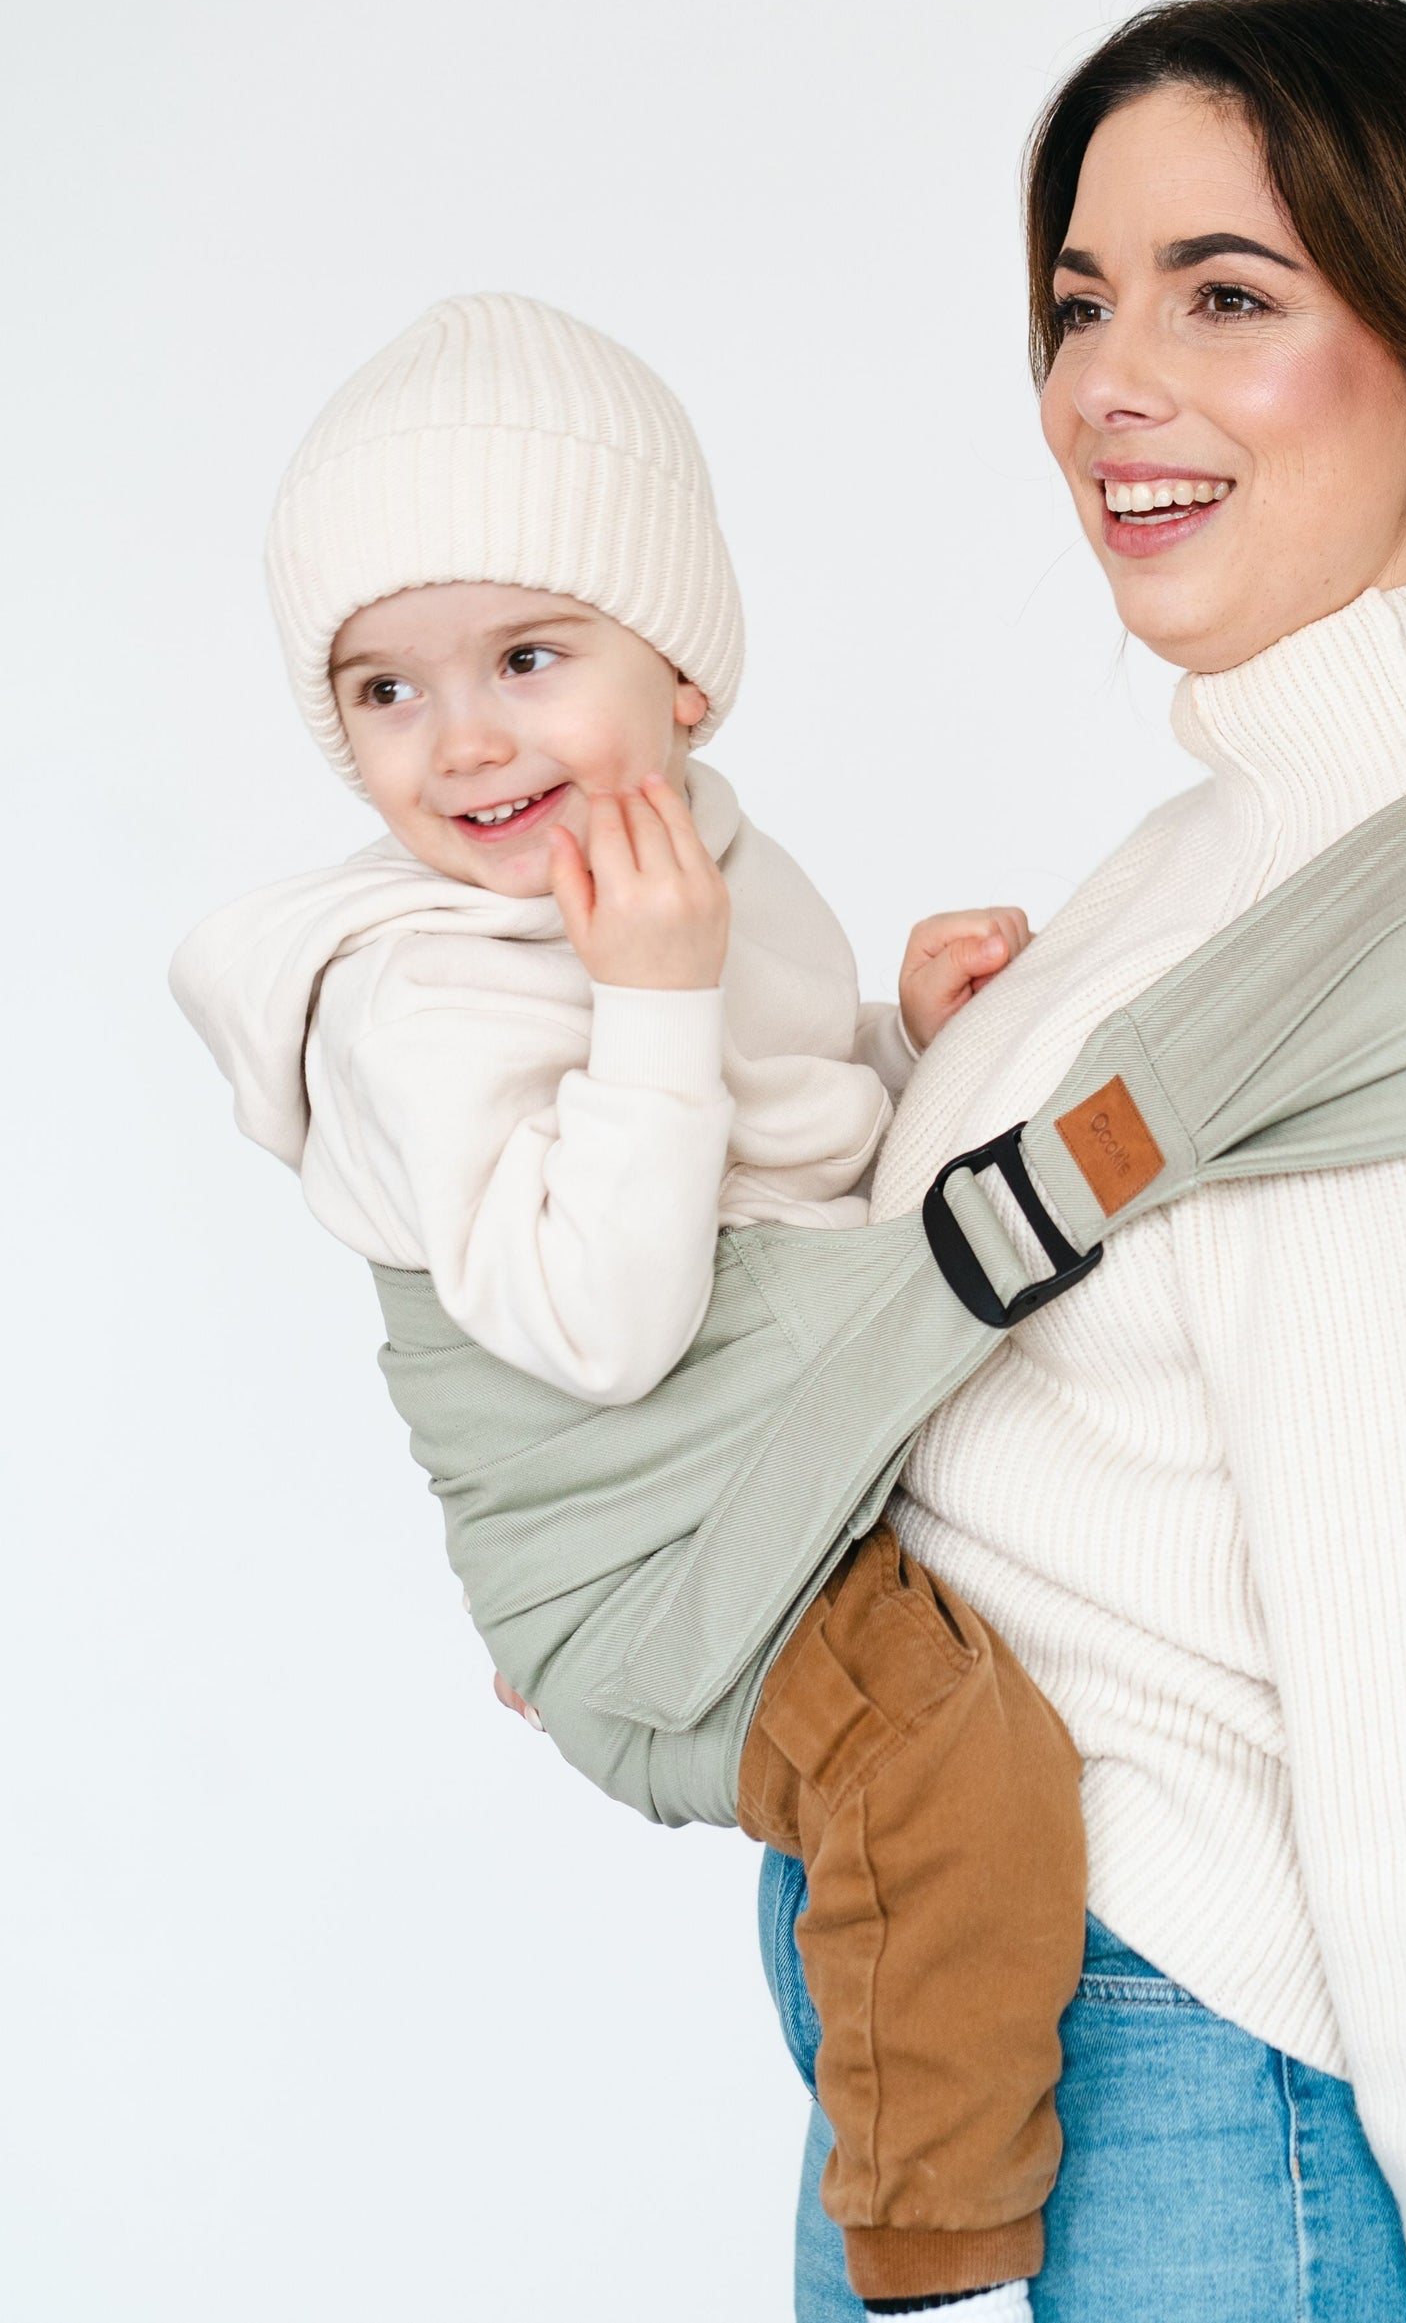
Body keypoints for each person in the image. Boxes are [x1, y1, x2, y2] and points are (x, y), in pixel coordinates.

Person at [749, 0, 1406, 2322]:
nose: (1107, 383)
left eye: (1223, 297)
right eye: (1078, 303)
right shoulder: (1215, 856)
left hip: (1216, 2125)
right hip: (1002, 2058)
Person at [170, 292, 1085, 2320]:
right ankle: (928, 2256)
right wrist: (651, 998)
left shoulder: (702, 868)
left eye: (526, 656)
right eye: (387, 689)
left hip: (755, 1454)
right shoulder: (421, 994)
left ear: (681, 672)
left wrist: (901, 1035)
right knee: (936, 1750)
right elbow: (603, 1324)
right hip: (644, 1539)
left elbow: (778, 1140)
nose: (463, 738)